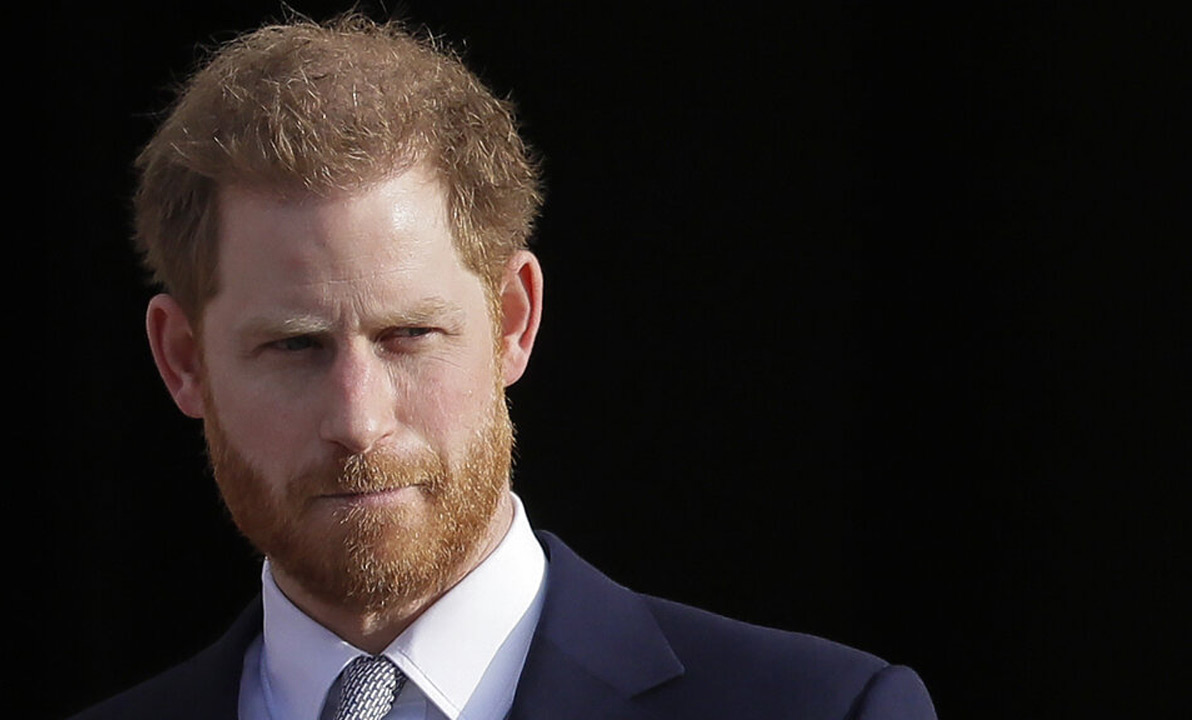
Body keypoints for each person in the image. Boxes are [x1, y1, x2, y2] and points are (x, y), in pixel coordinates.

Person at [72, 13, 936, 720]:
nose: (358, 418)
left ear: (513, 320)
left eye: (410, 335)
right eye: (295, 345)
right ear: (183, 360)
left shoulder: (819, 710)